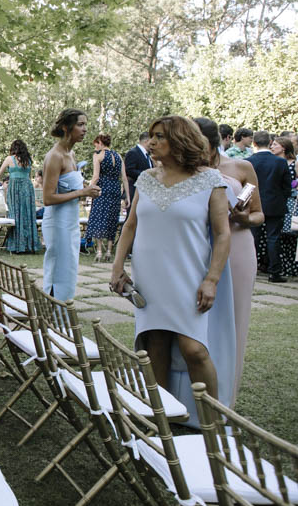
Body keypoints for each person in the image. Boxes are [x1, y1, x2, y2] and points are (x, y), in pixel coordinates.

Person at [110, 116, 231, 411]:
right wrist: (116, 267)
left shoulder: (211, 180)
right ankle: (161, 417)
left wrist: (212, 279)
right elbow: (130, 225)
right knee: (155, 346)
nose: (151, 142)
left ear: (180, 140)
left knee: (194, 350)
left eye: (159, 137)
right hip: (150, 276)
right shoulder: (146, 179)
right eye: (151, 136)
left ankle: (214, 423)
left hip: (189, 276)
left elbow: (222, 233)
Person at [195, 118, 262, 402]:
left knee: (235, 318)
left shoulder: (241, 168)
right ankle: (194, 392)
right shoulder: (188, 170)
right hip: (198, 247)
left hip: (237, 246)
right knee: (198, 319)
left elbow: (260, 214)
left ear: (214, 144)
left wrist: (245, 217)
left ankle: (225, 394)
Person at [42, 110, 101, 300]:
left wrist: (87, 188)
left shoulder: (71, 154)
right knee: (58, 269)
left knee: (69, 268)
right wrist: (82, 192)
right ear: (66, 127)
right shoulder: (55, 156)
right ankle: (52, 312)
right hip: (57, 223)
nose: (85, 129)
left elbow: (69, 187)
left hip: (71, 222)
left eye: (85, 125)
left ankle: (63, 311)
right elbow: (48, 198)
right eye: (80, 125)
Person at [247, 131, 293, 282]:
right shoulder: (280, 162)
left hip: (254, 205)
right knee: (274, 238)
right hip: (275, 204)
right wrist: (281, 199)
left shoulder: (248, 161)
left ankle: (251, 270)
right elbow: (287, 186)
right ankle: (275, 272)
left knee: (254, 238)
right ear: (269, 142)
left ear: (254, 143)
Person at [0, 139, 39, 254]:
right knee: (27, 214)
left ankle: (17, 244)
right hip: (27, 187)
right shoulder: (28, 160)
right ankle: (28, 245)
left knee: (16, 214)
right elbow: (29, 176)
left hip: (15, 187)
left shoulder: (9, 159)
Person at [85, 134, 130, 262]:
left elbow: (96, 176)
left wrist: (88, 188)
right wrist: (128, 196)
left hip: (102, 190)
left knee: (99, 218)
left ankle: (99, 251)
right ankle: (109, 251)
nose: (95, 146)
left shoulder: (98, 156)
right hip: (115, 190)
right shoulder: (118, 156)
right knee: (111, 219)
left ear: (100, 142)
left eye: (96, 143)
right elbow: (125, 178)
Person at [269, 136, 297, 280]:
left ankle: (291, 267)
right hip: (278, 202)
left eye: (275, 145)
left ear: (284, 147)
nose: (272, 147)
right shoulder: (273, 162)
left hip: (290, 202)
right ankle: (282, 266)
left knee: (291, 236)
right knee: (281, 237)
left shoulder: (293, 163)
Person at [123, 131, 153, 204]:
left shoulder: (147, 155)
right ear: (146, 141)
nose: (152, 145)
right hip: (134, 191)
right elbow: (129, 170)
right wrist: (146, 175)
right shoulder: (133, 152)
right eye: (151, 142)